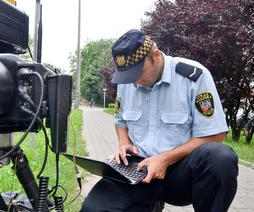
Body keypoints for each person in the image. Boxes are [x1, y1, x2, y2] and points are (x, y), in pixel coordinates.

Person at [81, 29, 238, 212]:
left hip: (180, 173)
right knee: (93, 208)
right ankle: (149, 204)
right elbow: (120, 120)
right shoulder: (128, 82)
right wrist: (124, 144)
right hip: (139, 169)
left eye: (139, 72)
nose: (135, 81)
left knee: (220, 157)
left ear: (155, 55)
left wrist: (164, 159)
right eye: (129, 75)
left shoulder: (193, 77)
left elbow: (215, 135)